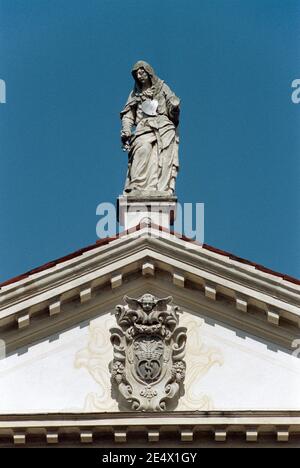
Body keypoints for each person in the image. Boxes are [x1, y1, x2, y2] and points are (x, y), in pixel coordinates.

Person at [120, 61, 180, 195]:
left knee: (162, 158)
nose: (139, 75)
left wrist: (174, 107)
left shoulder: (162, 87)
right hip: (144, 126)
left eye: (141, 72)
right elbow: (128, 115)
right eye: (137, 74)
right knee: (142, 148)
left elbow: (173, 110)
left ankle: (161, 188)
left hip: (164, 126)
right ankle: (137, 186)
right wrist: (126, 130)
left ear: (148, 71)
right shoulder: (135, 94)